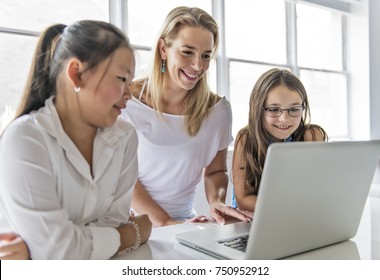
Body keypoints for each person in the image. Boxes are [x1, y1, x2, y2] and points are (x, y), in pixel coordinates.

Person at [0, 20, 152, 259]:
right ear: (77, 74)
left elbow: (110, 223)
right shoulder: (25, 139)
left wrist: (46, 249)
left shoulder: (125, 138)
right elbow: (59, 251)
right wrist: (132, 234)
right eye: (122, 79)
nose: (128, 95)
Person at [121, 6, 253, 227]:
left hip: (184, 224)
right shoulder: (125, 100)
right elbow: (122, 178)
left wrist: (216, 201)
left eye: (206, 56)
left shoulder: (218, 111)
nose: (197, 65)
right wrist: (166, 222)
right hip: (128, 224)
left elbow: (216, 171)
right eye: (187, 52)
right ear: (164, 49)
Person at [231, 68, 328, 212]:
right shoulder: (246, 139)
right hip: (253, 220)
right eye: (274, 109)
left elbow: (320, 190)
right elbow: (243, 200)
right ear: (257, 108)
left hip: (299, 218)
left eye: (294, 109)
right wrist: (288, 209)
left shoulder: (311, 136)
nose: (284, 119)